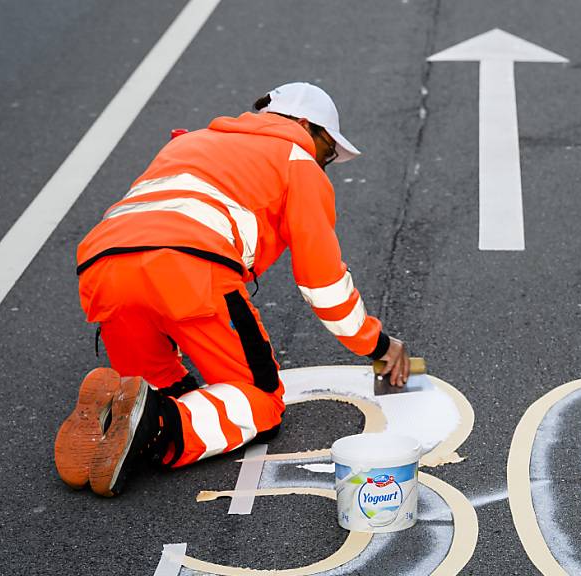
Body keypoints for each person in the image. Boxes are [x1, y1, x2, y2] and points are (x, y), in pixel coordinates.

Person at [54, 82, 410, 497]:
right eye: (328, 150)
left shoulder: (189, 143)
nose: (325, 162)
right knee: (260, 401)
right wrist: (379, 345)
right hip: (189, 269)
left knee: (163, 389)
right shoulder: (297, 160)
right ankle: (155, 425)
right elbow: (323, 284)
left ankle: (115, 421)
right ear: (306, 125)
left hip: (102, 269)